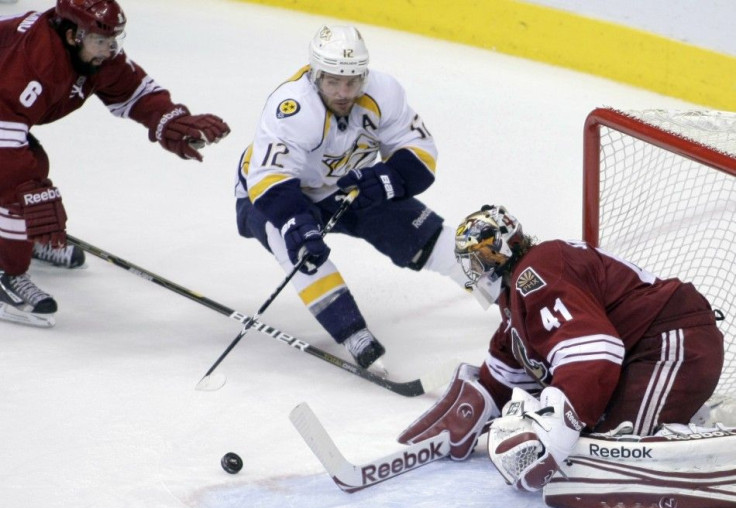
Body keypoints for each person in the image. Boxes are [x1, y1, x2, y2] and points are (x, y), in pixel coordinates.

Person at [398, 205, 725, 493]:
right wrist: (478, 400)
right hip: (650, 350)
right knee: (589, 448)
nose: (475, 271)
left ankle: (700, 451)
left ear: (503, 249)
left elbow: (595, 350)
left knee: (606, 455)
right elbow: (510, 365)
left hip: (670, 344)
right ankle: (684, 422)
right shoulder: (518, 300)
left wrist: (556, 422)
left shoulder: (536, 271)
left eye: (479, 258)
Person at [235, 25, 465, 370]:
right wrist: (296, 221)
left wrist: (391, 178)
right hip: (272, 194)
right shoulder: (293, 109)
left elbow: (420, 151)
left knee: (413, 229)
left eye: (353, 81)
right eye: (333, 81)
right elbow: (271, 179)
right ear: (315, 75)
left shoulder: (384, 93)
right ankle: (353, 333)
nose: (344, 92)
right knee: (299, 246)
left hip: (343, 185)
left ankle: (496, 288)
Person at [0, 0, 230, 327]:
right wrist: (29, 194)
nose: (110, 50)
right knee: (23, 183)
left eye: (114, 41)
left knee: (29, 178)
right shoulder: (33, 61)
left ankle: (21, 239)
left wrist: (169, 120)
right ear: (73, 36)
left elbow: (134, 91)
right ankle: (5, 274)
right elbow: (4, 144)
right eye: (102, 41)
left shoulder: (93, 52)